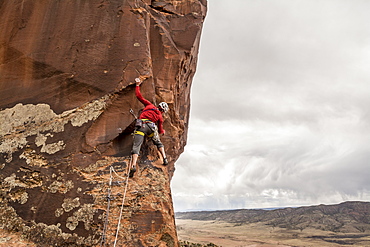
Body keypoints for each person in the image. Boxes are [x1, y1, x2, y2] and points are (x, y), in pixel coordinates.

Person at [129, 77, 169, 177]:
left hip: (141, 125)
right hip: (151, 128)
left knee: (136, 146)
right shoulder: (160, 116)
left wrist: (137, 85)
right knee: (158, 142)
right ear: (163, 111)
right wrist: (162, 131)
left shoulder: (150, 105)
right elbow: (160, 130)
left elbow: (139, 96)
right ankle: (164, 157)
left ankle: (133, 165)